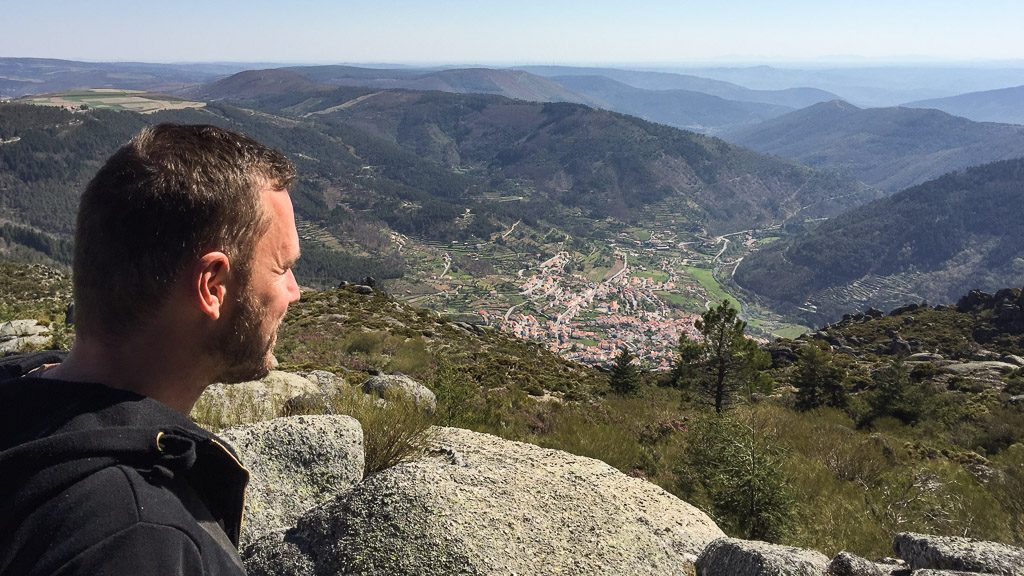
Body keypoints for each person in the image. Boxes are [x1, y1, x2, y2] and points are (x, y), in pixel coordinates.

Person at [0, 123, 301, 575]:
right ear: (213, 286)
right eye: (281, 268)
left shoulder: (22, 398)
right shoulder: (139, 540)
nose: (295, 292)